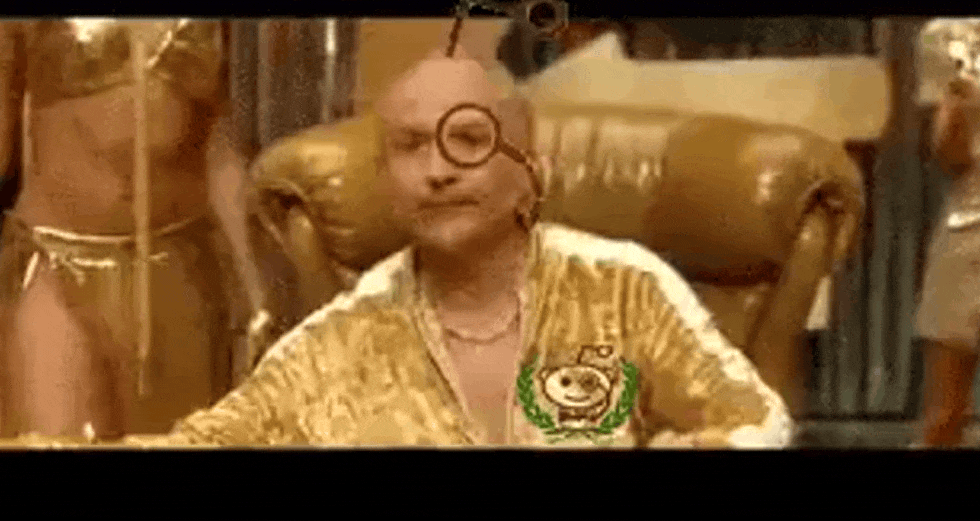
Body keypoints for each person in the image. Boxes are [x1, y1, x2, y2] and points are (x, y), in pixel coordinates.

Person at [91, 35, 793, 448]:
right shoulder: (339, 341)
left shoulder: (623, 289)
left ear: (531, 172)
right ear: (386, 183)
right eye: (409, 147)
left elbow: (755, 421)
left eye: (467, 140)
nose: (437, 170)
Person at [0, 19, 272, 439]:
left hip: (181, 266)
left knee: (181, 439)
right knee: (53, 438)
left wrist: (256, 288)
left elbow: (218, 150)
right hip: (56, 261)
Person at [916, 74, 980, 447]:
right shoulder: (966, 56)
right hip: (971, 230)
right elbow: (949, 157)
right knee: (946, 409)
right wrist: (959, 110)